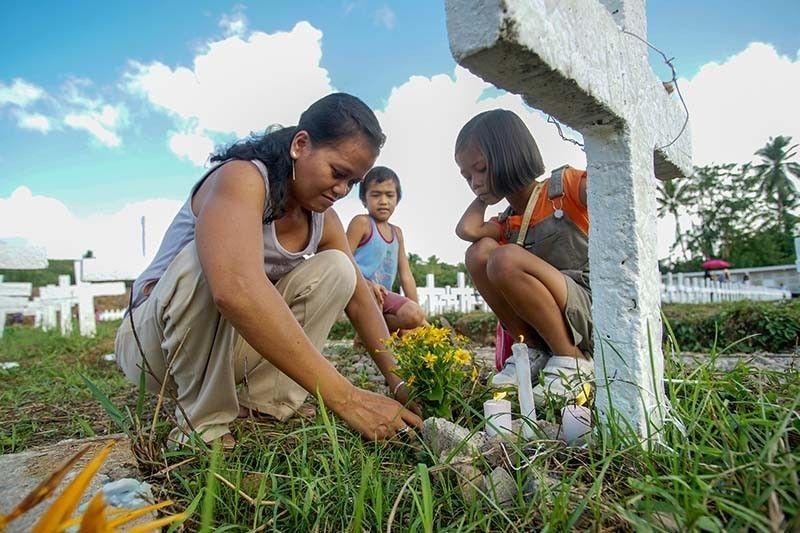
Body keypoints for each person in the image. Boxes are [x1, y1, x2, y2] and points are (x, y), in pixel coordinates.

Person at [115, 93, 421, 449]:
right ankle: (202, 426)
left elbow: (360, 302)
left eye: (352, 182)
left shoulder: (325, 220)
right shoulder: (242, 179)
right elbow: (233, 289)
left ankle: (264, 407)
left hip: (227, 348)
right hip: (155, 348)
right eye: (338, 173)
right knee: (217, 258)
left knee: (339, 269)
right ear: (301, 145)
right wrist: (347, 398)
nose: (341, 190)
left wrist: (400, 384)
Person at [453, 109, 593, 405]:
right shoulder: (507, 221)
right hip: (547, 319)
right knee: (480, 253)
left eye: (480, 169)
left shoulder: (564, 188)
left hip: (588, 308)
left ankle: (573, 360)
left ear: (509, 154)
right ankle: (530, 350)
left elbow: (611, 186)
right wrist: (483, 193)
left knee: (504, 258)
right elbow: (467, 230)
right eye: (467, 177)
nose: (474, 182)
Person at [346, 166, 426, 336]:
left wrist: (418, 315)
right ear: (363, 199)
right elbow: (342, 259)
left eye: (389, 195)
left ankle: (373, 333)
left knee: (414, 316)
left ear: (397, 200)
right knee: (373, 294)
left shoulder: (397, 233)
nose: (383, 201)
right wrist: (367, 284)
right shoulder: (362, 223)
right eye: (376, 195)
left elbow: (406, 275)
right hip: (359, 290)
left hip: (384, 296)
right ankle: (368, 338)